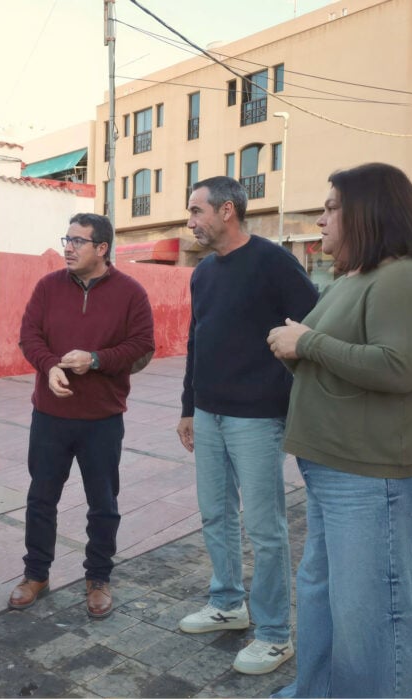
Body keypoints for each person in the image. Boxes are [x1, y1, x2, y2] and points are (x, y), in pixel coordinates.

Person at [267, 162, 412, 698]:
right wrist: (299, 350)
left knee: (380, 616)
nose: (321, 218)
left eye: (333, 207)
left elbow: (398, 368)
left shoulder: (409, 277)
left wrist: (306, 343)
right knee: (327, 598)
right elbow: (338, 365)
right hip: (339, 471)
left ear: (370, 213)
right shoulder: (355, 279)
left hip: (378, 477)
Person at [176, 176, 318, 675]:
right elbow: (196, 341)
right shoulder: (203, 273)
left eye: (197, 211)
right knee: (215, 514)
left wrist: (280, 382)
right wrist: (188, 405)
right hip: (209, 414)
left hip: (258, 417)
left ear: (227, 211)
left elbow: (313, 325)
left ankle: (276, 635)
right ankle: (227, 603)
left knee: (264, 528)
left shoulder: (273, 261)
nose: (190, 221)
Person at [10, 212, 155, 619]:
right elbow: (29, 336)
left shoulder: (130, 293)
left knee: (103, 503)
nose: (68, 248)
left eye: (78, 241)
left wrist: (95, 360)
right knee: (41, 498)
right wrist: (49, 366)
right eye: (67, 239)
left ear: (102, 248)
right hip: (50, 415)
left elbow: (142, 346)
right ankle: (36, 574)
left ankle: (98, 578)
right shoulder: (48, 287)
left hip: (102, 419)